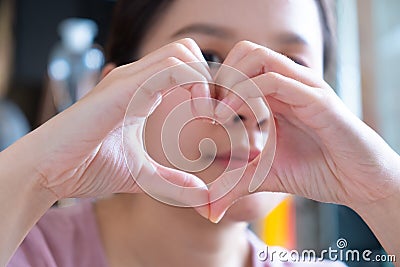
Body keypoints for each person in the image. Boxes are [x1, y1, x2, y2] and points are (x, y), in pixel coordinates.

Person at [1, 0, 399, 266]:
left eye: (288, 65)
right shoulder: (25, 249)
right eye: (209, 58)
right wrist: (38, 177)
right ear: (115, 86)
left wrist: (382, 192)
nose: (246, 104)